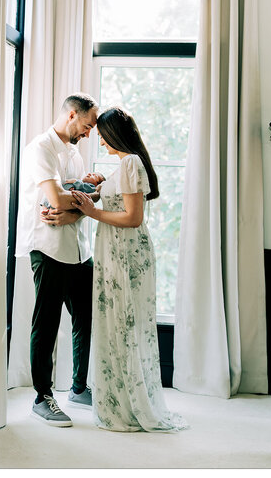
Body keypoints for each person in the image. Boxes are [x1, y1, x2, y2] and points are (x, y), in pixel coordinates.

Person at [70, 107, 189, 432]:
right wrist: (100, 186)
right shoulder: (125, 165)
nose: (98, 139)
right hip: (115, 252)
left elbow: (133, 218)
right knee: (118, 324)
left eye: (102, 133)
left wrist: (92, 211)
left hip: (124, 254)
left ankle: (127, 405)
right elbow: (122, 201)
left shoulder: (130, 163)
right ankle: (121, 399)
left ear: (113, 134)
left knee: (123, 325)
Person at [15, 93, 99, 428]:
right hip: (47, 246)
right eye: (88, 125)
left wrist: (75, 211)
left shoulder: (75, 153)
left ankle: (79, 388)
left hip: (78, 247)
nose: (89, 133)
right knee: (46, 322)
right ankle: (41, 396)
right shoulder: (41, 148)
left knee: (85, 317)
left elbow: (84, 199)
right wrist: (78, 200)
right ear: (72, 115)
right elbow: (54, 198)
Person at [41, 172, 105, 210]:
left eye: (94, 175)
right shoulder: (80, 182)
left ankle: (47, 208)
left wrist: (75, 182)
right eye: (91, 173)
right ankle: (44, 207)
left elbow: (87, 188)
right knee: (47, 198)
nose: (89, 174)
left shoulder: (91, 188)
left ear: (97, 184)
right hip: (57, 195)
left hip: (62, 200)